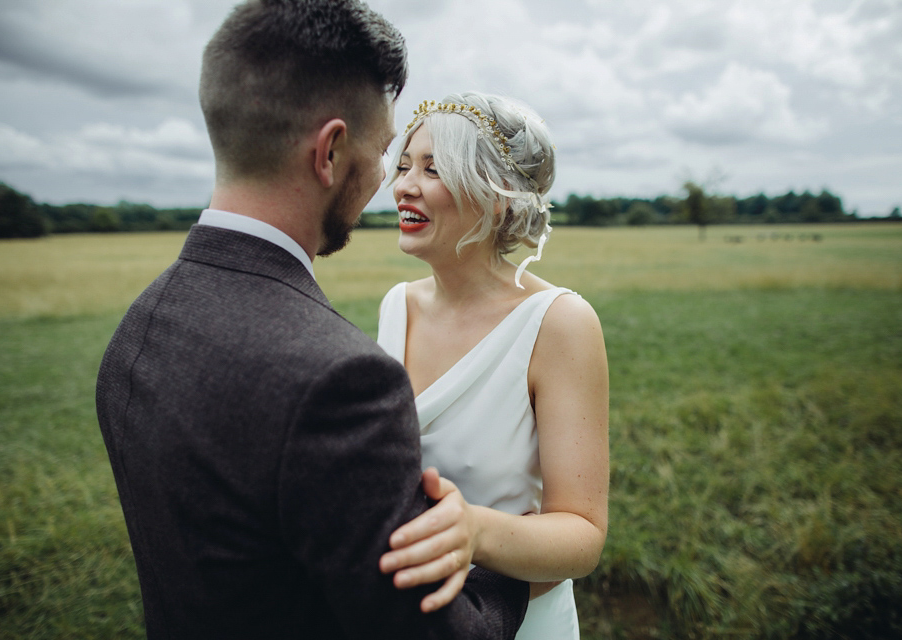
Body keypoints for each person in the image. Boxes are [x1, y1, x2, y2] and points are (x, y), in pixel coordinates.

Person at [95, 2, 530, 638]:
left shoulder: (141, 326)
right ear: (329, 152)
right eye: (386, 152)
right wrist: (509, 549)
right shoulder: (341, 382)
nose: (390, 180)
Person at [375, 92, 610, 639]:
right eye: (405, 165)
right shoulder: (396, 306)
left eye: (433, 169)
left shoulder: (558, 322)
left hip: (517, 622)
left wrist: (473, 532)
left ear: (497, 198)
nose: (404, 185)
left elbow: (583, 537)